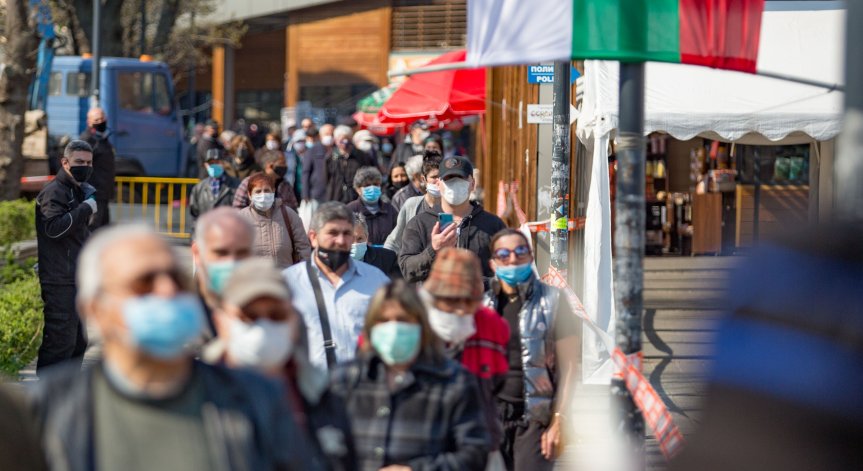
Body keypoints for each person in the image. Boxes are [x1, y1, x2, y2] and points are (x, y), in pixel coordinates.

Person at [28, 225, 314, 470]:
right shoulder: (48, 409)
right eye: (144, 282)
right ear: (95, 310)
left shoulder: (257, 399)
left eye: (177, 280)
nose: (167, 290)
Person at [205, 257, 357, 471]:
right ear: (221, 322)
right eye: (249, 316)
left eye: (276, 315)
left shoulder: (322, 395)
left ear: (294, 321)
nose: (263, 327)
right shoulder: (196, 397)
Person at [330, 281, 491, 471]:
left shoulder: (453, 381)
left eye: (403, 319)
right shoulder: (345, 379)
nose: (393, 328)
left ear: (421, 325)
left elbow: (475, 453)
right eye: (384, 320)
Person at [483, 229, 581, 471]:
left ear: (531, 256)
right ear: (493, 263)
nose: (513, 259)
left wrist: (559, 419)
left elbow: (569, 367)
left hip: (536, 419)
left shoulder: (553, 300)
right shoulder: (482, 304)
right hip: (489, 417)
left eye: (520, 252)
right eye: (504, 254)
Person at [421, 248, 510, 465]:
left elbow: (499, 381)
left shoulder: (492, 324)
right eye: (451, 300)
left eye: (469, 300)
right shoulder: (412, 321)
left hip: (480, 445)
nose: (461, 309)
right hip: (424, 447)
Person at [282, 202, 389, 371]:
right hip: (311, 383)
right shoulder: (289, 283)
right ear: (313, 237)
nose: (341, 240)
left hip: (363, 381)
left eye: (347, 233)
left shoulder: (376, 280)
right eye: (332, 233)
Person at [35, 139, 97, 373]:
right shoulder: (55, 192)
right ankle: (48, 391)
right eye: (79, 162)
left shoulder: (78, 189)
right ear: (65, 162)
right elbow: (53, 229)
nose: (85, 167)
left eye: (89, 163)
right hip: (59, 279)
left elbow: (78, 235)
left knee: (78, 342)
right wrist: (85, 209)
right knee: (60, 343)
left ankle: (69, 388)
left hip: (76, 277)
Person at [399, 156, 506, 283]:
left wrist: (480, 283)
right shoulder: (419, 223)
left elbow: (506, 269)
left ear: (472, 184)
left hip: (480, 295)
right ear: (439, 184)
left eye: (461, 178)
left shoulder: (493, 225)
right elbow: (407, 270)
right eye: (448, 179)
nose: (455, 183)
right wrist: (433, 250)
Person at [191, 207, 254, 331]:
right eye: (221, 253)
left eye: (242, 253)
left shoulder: (270, 311)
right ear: (197, 253)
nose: (231, 262)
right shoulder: (179, 310)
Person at [238, 173, 311, 268]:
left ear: (273, 191)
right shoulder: (241, 218)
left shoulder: (288, 214)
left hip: (286, 275)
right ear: (250, 195)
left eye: (267, 190)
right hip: (253, 276)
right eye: (258, 192)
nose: (263, 195)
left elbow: (303, 247)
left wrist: (303, 271)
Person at [384, 151, 442, 253]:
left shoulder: (454, 206)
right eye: (434, 177)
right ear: (423, 179)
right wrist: (385, 258)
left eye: (442, 177)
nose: (438, 181)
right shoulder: (411, 205)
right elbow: (394, 241)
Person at [79, 107, 115, 230]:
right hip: (93, 195)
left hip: (104, 194)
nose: (100, 122)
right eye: (96, 120)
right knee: (92, 229)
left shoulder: (103, 139)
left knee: (104, 231)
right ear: (89, 122)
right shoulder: (87, 140)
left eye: (102, 118)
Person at [189, 149, 240, 230]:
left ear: (223, 163)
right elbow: (194, 216)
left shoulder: (236, 185)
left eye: (217, 162)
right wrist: (197, 235)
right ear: (206, 165)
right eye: (211, 163)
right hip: (206, 233)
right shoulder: (199, 188)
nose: (214, 166)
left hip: (228, 232)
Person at [232, 149, 299, 211]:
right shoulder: (249, 182)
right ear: (270, 166)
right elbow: (238, 207)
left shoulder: (285, 185)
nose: (285, 166)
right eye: (282, 163)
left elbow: (293, 208)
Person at [346, 166, 397, 246]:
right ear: (358, 189)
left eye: (376, 184)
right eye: (367, 185)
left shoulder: (390, 210)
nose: (372, 188)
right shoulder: (350, 210)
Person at [326, 125, 368, 204]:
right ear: (336, 140)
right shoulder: (330, 157)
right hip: (335, 195)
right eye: (341, 140)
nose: (344, 142)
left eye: (347, 139)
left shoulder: (360, 155)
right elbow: (326, 177)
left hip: (355, 196)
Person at [352, 213, 401, 280]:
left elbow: (397, 284)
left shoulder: (387, 258)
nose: (355, 243)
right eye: (351, 239)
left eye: (360, 238)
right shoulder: (337, 263)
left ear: (367, 237)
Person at [301, 127, 328, 227]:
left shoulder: (335, 150)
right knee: (316, 222)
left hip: (332, 193)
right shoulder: (312, 151)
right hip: (316, 192)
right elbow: (306, 172)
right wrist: (305, 193)